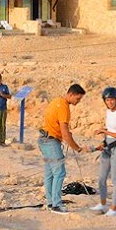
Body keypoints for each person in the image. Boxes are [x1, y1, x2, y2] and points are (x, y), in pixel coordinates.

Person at [39, 83, 86, 213]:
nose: (78, 102)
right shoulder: (64, 107)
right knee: (59, 173)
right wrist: (77, 148)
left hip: (44, 139)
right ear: (71, 94)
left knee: (50, 173)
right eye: (78, 98)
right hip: (51, 142)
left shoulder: (56, 101)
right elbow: (65, 133)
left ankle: (50, 202)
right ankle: (56, 204)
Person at [90, 87, 116, 217]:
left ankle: (113, 209)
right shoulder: (108, 112)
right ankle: (103, 203)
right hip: (108, 148)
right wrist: (104, 141)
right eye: (107, 100)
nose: (110, 102)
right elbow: (110, 130)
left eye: (112, 99)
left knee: (115, 180)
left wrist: (104, 131)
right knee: (101, 178)